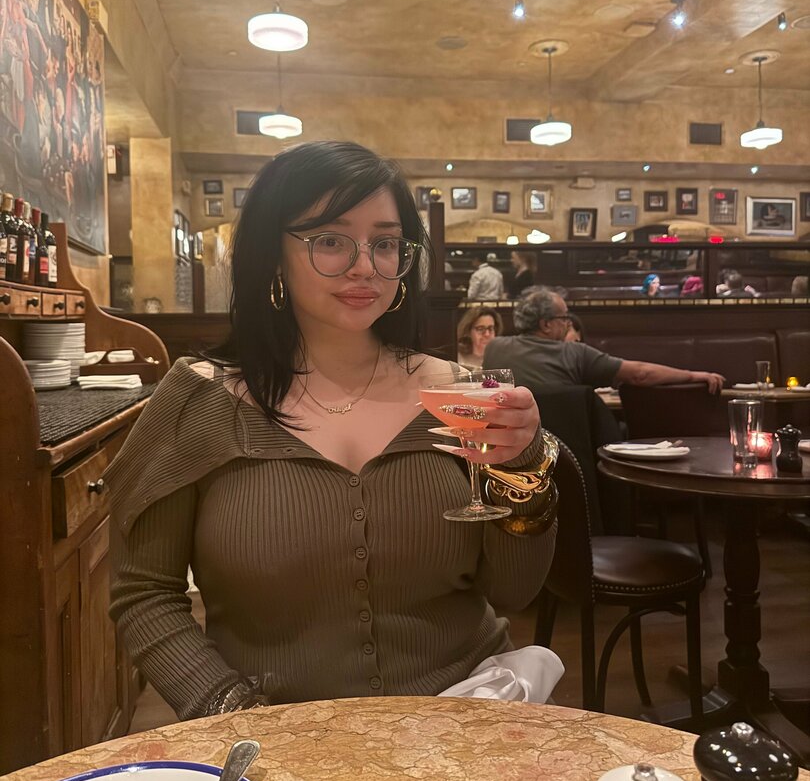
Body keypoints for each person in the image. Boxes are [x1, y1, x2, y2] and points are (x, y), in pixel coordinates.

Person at [106, 142, 554, 720]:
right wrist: (233, 711)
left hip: (462, 722)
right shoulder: (199, 401)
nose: (365, 266)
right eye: (331, 240)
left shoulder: (462, 395)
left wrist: (524, 467)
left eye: (385, 243)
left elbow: (516, 590)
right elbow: (144, 592)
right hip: (277, 741)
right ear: (273, 254)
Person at [484, 287, 724, 393]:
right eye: (564, 318)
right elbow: (640, 374)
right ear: (546, 324)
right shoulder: (574, 353)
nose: (568, 323)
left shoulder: (494, 348)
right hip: (568, 450)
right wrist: (692, 375)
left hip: (507, 454)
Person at [456, 306, 503, 371]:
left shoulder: (502, 357)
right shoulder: (458, 358)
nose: (487, 334)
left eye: (490, 328)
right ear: (468, 331)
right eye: (480, 329)